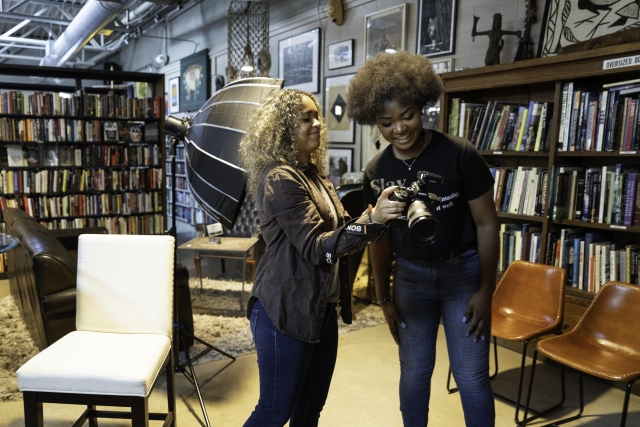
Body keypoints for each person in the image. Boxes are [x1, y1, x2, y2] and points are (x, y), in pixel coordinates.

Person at [346, 51, 499, 427]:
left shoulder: (459, 154)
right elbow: (378, 239)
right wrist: (383, 296)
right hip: (410, 280)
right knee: (414, 375)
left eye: (407, 116)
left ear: (423, 106)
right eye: (386, 122)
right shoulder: (376, 171)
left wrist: (486, 290)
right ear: (373, 122)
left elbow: (487, 224)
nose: (399, 129)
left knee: (471, 378)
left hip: (463, 275)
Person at [239, 88, 404, 427]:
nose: (317, 123)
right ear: (283, 129)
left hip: (319, 307)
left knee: (309, 410)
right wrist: (370, 222)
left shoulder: (313, 173)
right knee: (274, 411)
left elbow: (343, 234)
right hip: (282, 309)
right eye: (306, 118)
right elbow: (319, 247)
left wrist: (377, 218)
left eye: (317, 116)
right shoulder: (280, 178)